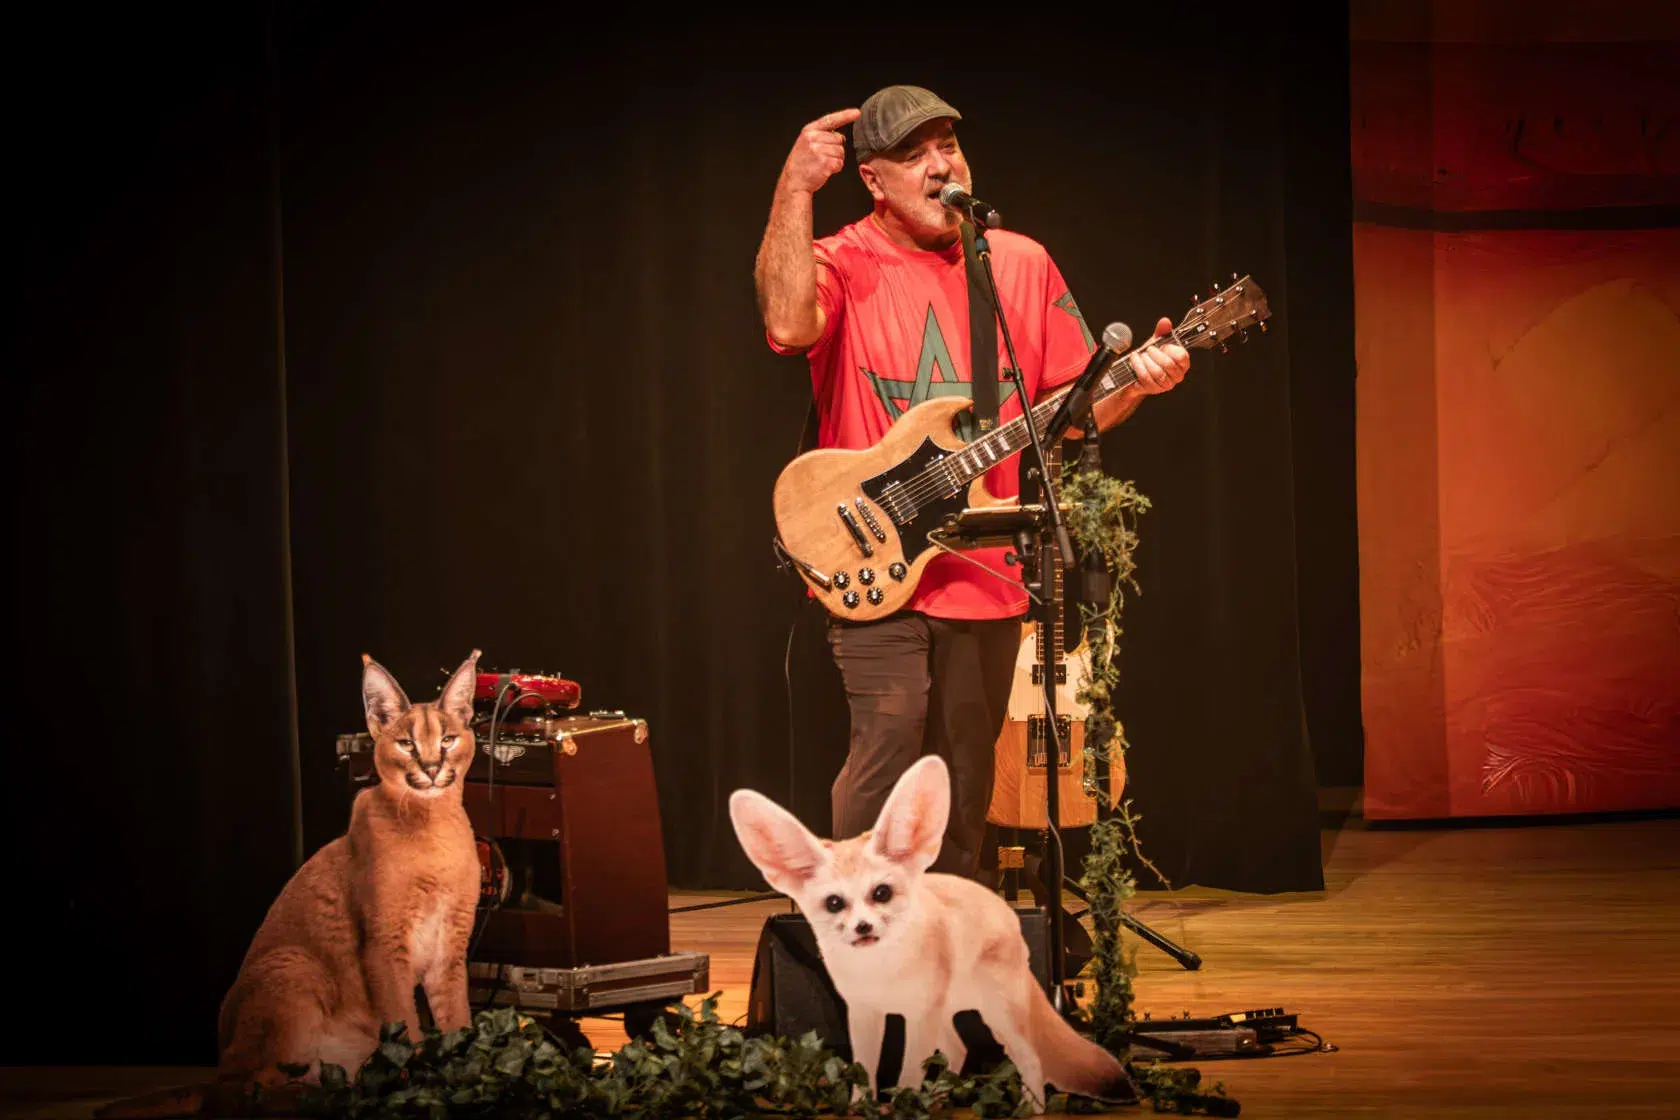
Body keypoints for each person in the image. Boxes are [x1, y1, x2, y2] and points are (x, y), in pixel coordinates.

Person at [754, 84, 1190, 881]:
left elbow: (1071, 413)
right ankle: (848, 920)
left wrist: (1139, 382)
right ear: (872, 179)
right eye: (913, 153)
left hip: (985, 568)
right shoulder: (843, 258)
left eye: (948, 146)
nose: (939, 165)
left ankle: (950, 932)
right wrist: (794, 189)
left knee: (964, 772)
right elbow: (786, 324)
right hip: (873, 556)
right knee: (887, 742)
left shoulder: (1018, 263)